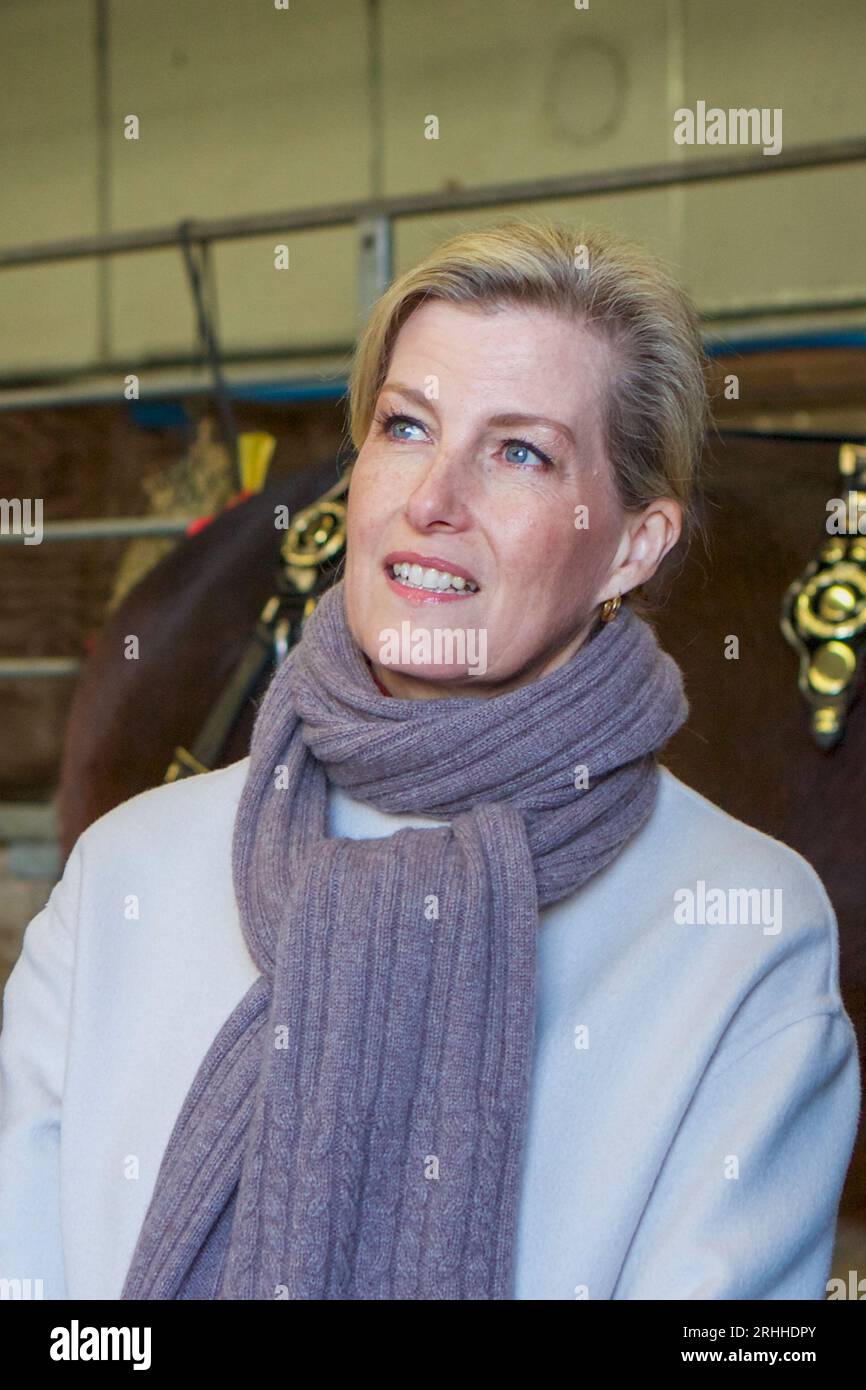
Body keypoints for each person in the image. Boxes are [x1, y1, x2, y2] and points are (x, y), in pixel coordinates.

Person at [0, 218, 859, 1301]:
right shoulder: (124, 879)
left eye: (518, 452)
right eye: (405, 427)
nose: (431, 500)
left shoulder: (743, 938)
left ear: (631, 546)